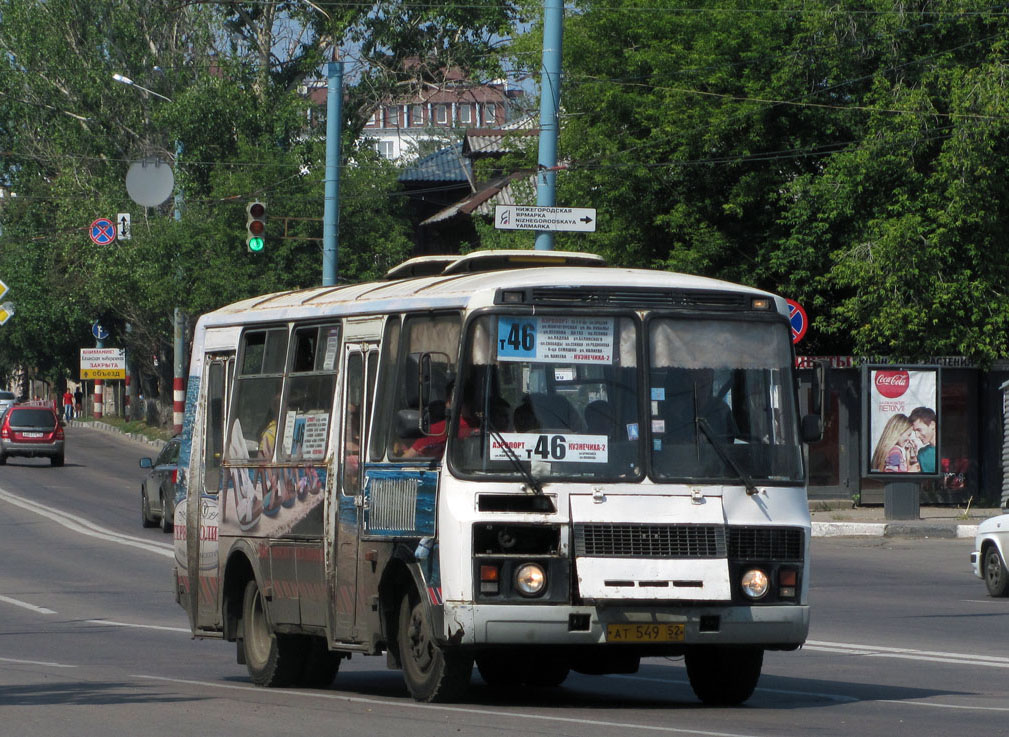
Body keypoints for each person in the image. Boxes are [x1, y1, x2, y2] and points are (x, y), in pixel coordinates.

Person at [909, 406, 937, 473]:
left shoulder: (949, 448)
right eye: (914, 431)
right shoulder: (921, 454)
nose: (917, 435)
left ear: (932, 425)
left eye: (919, 430)